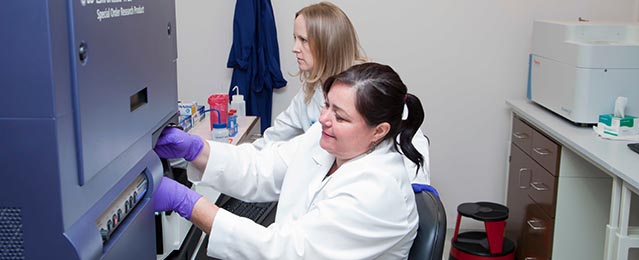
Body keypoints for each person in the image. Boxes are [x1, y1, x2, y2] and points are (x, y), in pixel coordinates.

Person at [154, 63, 426, 259]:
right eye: (326, 105)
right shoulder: (327, 141)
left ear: (379, 131)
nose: (324, 119)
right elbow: (264, 168)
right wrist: (195, 149)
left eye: (340, 117)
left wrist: (188, 204)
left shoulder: (378, 189)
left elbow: (288, 251)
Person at [253, 2, 431, 184]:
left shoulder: (372, 89)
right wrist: (241, 158)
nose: (294, 48)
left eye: (303, 40)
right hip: (336, 188)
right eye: (295, 38)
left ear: (327, 44)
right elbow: (275, 137)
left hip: (370, 193)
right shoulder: (311, 90)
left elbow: (414, 162)